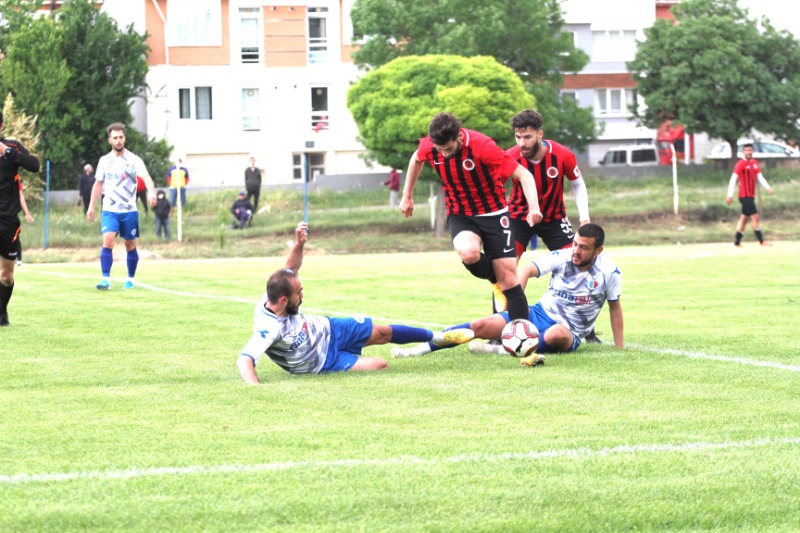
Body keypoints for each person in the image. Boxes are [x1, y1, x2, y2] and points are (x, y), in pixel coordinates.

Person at [236, 221, 474, 383]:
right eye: (300, 293)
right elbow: (245, 359)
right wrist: (255, 388)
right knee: (381, 365)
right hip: (325, 361)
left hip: (332, 328)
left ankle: (439, 337)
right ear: (284, 299)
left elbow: (291, 267)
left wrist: (299, 244)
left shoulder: (278, 290)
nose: (303, 296)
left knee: (382, 331)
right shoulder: (268, 328)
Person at [391, 223, 623, 365]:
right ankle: (417, 349)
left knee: (555, 335)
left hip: (569, 330)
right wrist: (515, 308)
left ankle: (497, 349)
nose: (576, 251)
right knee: (480, 326)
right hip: (537, 314)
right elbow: (525, 270)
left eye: (584, 247)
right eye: (575, 244)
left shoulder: (609, 272)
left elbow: (615, 308)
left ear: (598, 250)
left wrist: (619, 348)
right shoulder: (562, 257)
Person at [400, 112, 543, 322]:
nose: (445, 154)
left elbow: (524, 174)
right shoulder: (430, 146)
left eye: (448, 149)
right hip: (460, 212)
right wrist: (407, 196)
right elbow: (416, 159)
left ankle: (525, 341)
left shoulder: (482, 146)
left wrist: (534, 208)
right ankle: (494, 277)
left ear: (459, 136)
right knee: (468, 253)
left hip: (494, 212)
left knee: (510, 279)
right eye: (440, 150)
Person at [506, 109, 602, 344]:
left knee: (580, 265)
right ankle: (504, 331)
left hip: (554, 219)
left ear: (540, 134)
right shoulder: (509, 157)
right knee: (505, 269)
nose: (522, 143)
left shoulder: (562, 155)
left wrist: (585, 218)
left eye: (527, 137)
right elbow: (495, 189)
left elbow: (578, 185)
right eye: (518, 137)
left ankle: (586, 330)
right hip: (518, 217)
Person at [86, 122, 156, 290]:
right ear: (110, 140)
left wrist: (152, 192)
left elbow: (146, 177)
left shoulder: (133, 160)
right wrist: (91, 206)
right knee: (108, 240)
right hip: (110, 209)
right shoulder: (104, 161)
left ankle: (130, 279)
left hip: (129, 210)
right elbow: (97, 185)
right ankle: (105, 280)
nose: (118, 140)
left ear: (124, 138)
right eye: (115, 138)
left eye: (121, 137)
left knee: (129, 244)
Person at [0, 112, 41, 326]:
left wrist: (8, 153)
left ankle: (2, 311)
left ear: (1, 126)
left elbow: (35, 166)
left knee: (6, 275)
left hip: (7, 220)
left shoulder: (12, 147)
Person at [726, 143, 774, 246]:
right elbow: (733, 179)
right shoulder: (740, 163)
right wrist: (729, 195)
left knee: (744, 219)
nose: (748, 152)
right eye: (746, 150)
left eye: (750, 150)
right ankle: (762, 241)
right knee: (755, 217)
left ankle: (737, 242)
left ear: (752, 151)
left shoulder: (755, 163)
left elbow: (760, 177)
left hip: (751, 196)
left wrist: (768, 188)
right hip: (744, 196)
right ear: (743, 152)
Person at [15, 180, 33, 266]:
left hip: (10, 214)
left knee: (15, 237)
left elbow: (20, 195)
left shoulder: (13, 177)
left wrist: (27, 213)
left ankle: (19, 259)